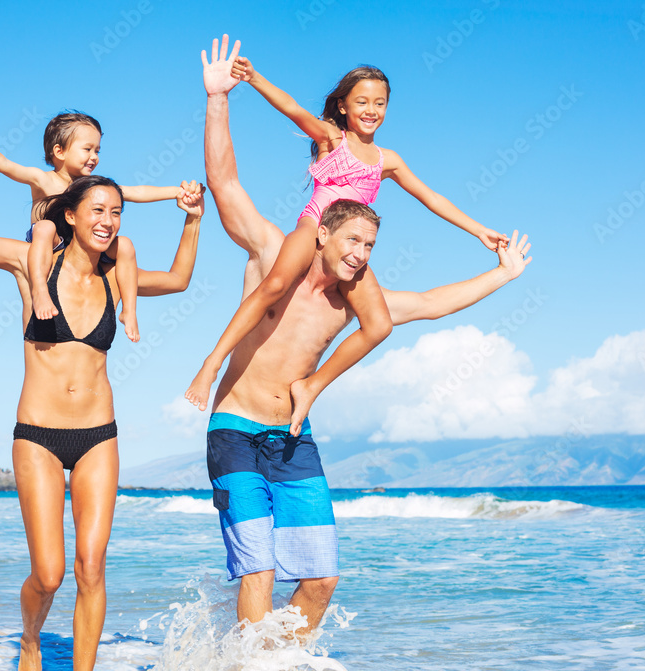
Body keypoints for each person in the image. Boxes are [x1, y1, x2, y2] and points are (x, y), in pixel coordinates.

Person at [194, 36, 532, 636]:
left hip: (292, 438)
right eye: (352, 241)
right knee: (260, 574)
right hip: (237, 433)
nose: (361, 255)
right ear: (323, 230)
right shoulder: (275, 254)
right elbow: (224, 182)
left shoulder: (353, 299)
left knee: (321, 579)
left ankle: (279, 657)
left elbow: (428, 304)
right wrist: (219, 99)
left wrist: (501, 273)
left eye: (369, 246)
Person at [0, 118, 205, 671]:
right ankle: (30, 641)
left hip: (99, 434)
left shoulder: (115, 276)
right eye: (97, 210)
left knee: (91, 568)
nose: (108, 221)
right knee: (49, 573)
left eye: (116, 212)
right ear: (70, 214)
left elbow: (176, 279)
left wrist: (193, 221)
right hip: (38, 436)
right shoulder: (31, 266)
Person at [186, 42, 510, 410]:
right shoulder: (332, 138)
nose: (371, 110)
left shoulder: (389, 161)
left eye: (380, 103)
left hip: (348, 242)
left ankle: (310, 387)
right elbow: (291, 108)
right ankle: (211, 364)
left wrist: (478, 229)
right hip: (315, 226)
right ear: (343, 105)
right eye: (362, 102)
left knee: (380, 325)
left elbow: (432, 198)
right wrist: (254, 78)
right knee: (274, 283)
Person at [0, 112, 186, 342]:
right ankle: (41, 291)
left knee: (124, 244)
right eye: (87, 149)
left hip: (80, 246)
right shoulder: (43, 179)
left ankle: (129, 311)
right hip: (48, 244)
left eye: (97, 150)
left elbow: (137, 191)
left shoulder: (91, 189)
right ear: (59, 151)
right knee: (45, 227)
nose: (94, 156)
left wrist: (177, 191)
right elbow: (4, 164)